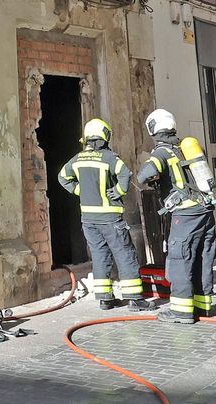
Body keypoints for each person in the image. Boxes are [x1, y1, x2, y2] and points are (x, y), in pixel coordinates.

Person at [57, 118, 150, 311]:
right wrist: (118, 191)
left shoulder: (78, 159)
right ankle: (134, 298)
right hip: (110, 218)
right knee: (124, 254)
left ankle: (105, 299)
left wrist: (79, 190)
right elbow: (125, 174)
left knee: (100, 256)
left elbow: (63, 177)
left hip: (88, 220)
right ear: (105, 136)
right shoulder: (108, 158)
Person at [137, 108, 215, 323]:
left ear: (153, 129)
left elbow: (144, 175)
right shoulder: (184, 148)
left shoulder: (161, 152)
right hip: (205, 210)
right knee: (201, 258)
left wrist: (154, 175)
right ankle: (201, 306)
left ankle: (181, 311)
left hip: (185, 215)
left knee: (181, 259)